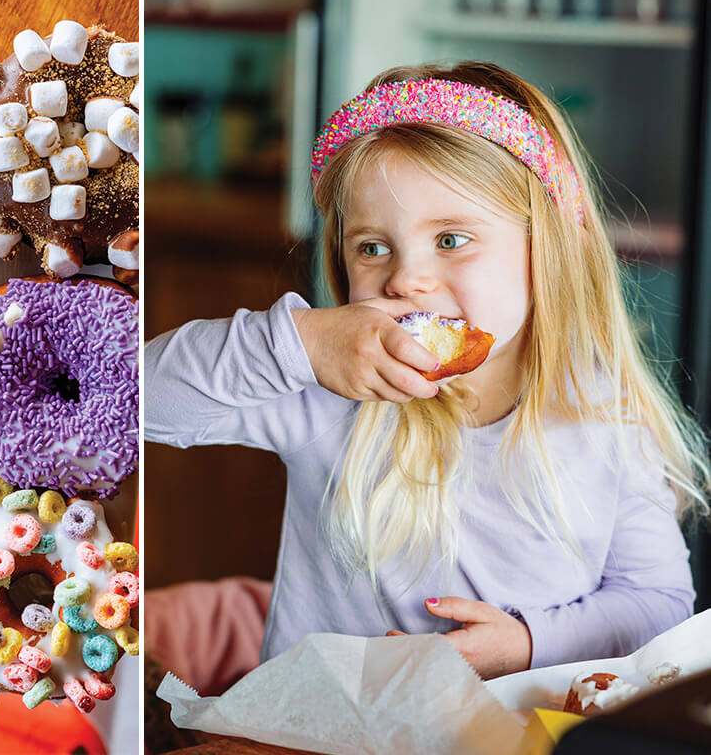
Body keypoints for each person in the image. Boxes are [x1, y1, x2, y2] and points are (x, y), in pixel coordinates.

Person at [145, 60, 710, 681]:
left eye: (450, 240)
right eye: (372, 247)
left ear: (545, 247)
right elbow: (139, 398)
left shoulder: (606, 419)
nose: (404, 279)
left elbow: (658, 608)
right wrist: (302, 343)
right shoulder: (329, 393)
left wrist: (528, 644)